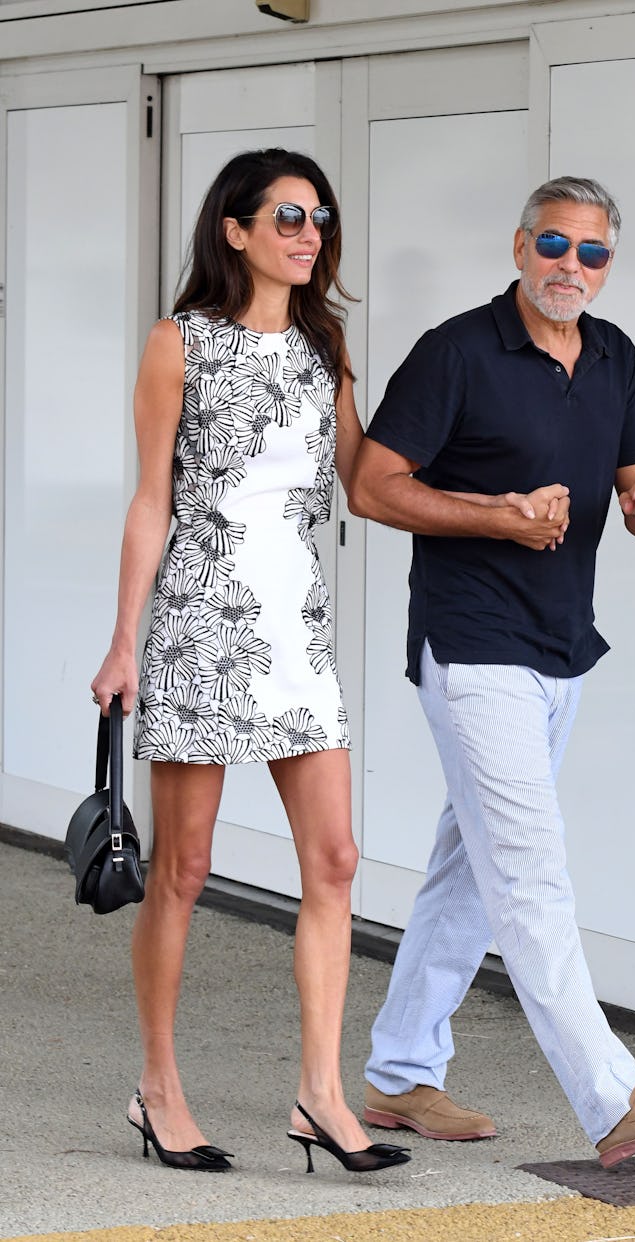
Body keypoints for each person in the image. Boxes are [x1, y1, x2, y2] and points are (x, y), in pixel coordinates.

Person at [348, 176, 635, 1168]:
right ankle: (614, 1097)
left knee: (468, 866)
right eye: (555, 245)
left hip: (562, 645)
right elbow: (372, 484)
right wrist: (498, 513)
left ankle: (398, 1072)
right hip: (472, 644)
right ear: (520, 248)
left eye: (592, 252)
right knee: (530, 872)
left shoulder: (611, 355)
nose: (572, 267)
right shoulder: (457, 353)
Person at [91, 148, 409, 1176]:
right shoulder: (178, 343)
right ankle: (159, 1087)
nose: (308, 232)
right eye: (286, 216)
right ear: (233, 230)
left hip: (298, 633)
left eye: (319, 216)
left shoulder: (328, 347)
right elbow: (152, 500)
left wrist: (495, 485)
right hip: (199, 626)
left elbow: (365, 476)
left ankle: (320, 1094)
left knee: (336, 862)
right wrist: (121, 642)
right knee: (181, 871)